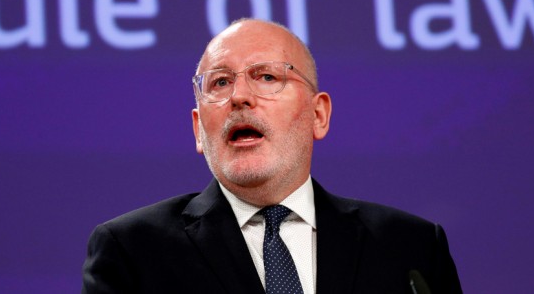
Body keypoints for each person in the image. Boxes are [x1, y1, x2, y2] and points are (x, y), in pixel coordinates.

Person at [82, 19, 463, 293]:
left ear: (319, 115)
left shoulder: (411, 249)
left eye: (266, 77)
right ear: (199, 129)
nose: (239, 96)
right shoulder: (132, 251)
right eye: (220, 82)